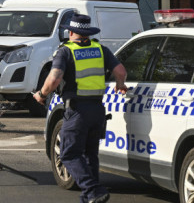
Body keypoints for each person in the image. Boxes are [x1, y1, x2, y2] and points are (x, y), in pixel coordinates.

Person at [33, 14, 127, 203]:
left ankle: (93, 190)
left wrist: (41, 95)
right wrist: (120, 84)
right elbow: (121, 71)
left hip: (77, 111)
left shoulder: (66, 51)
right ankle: (91, 196)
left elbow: (54, 79)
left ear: (71, 32)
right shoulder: (101, 49)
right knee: (90, 153)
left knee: (68, 153)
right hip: (97, 110)